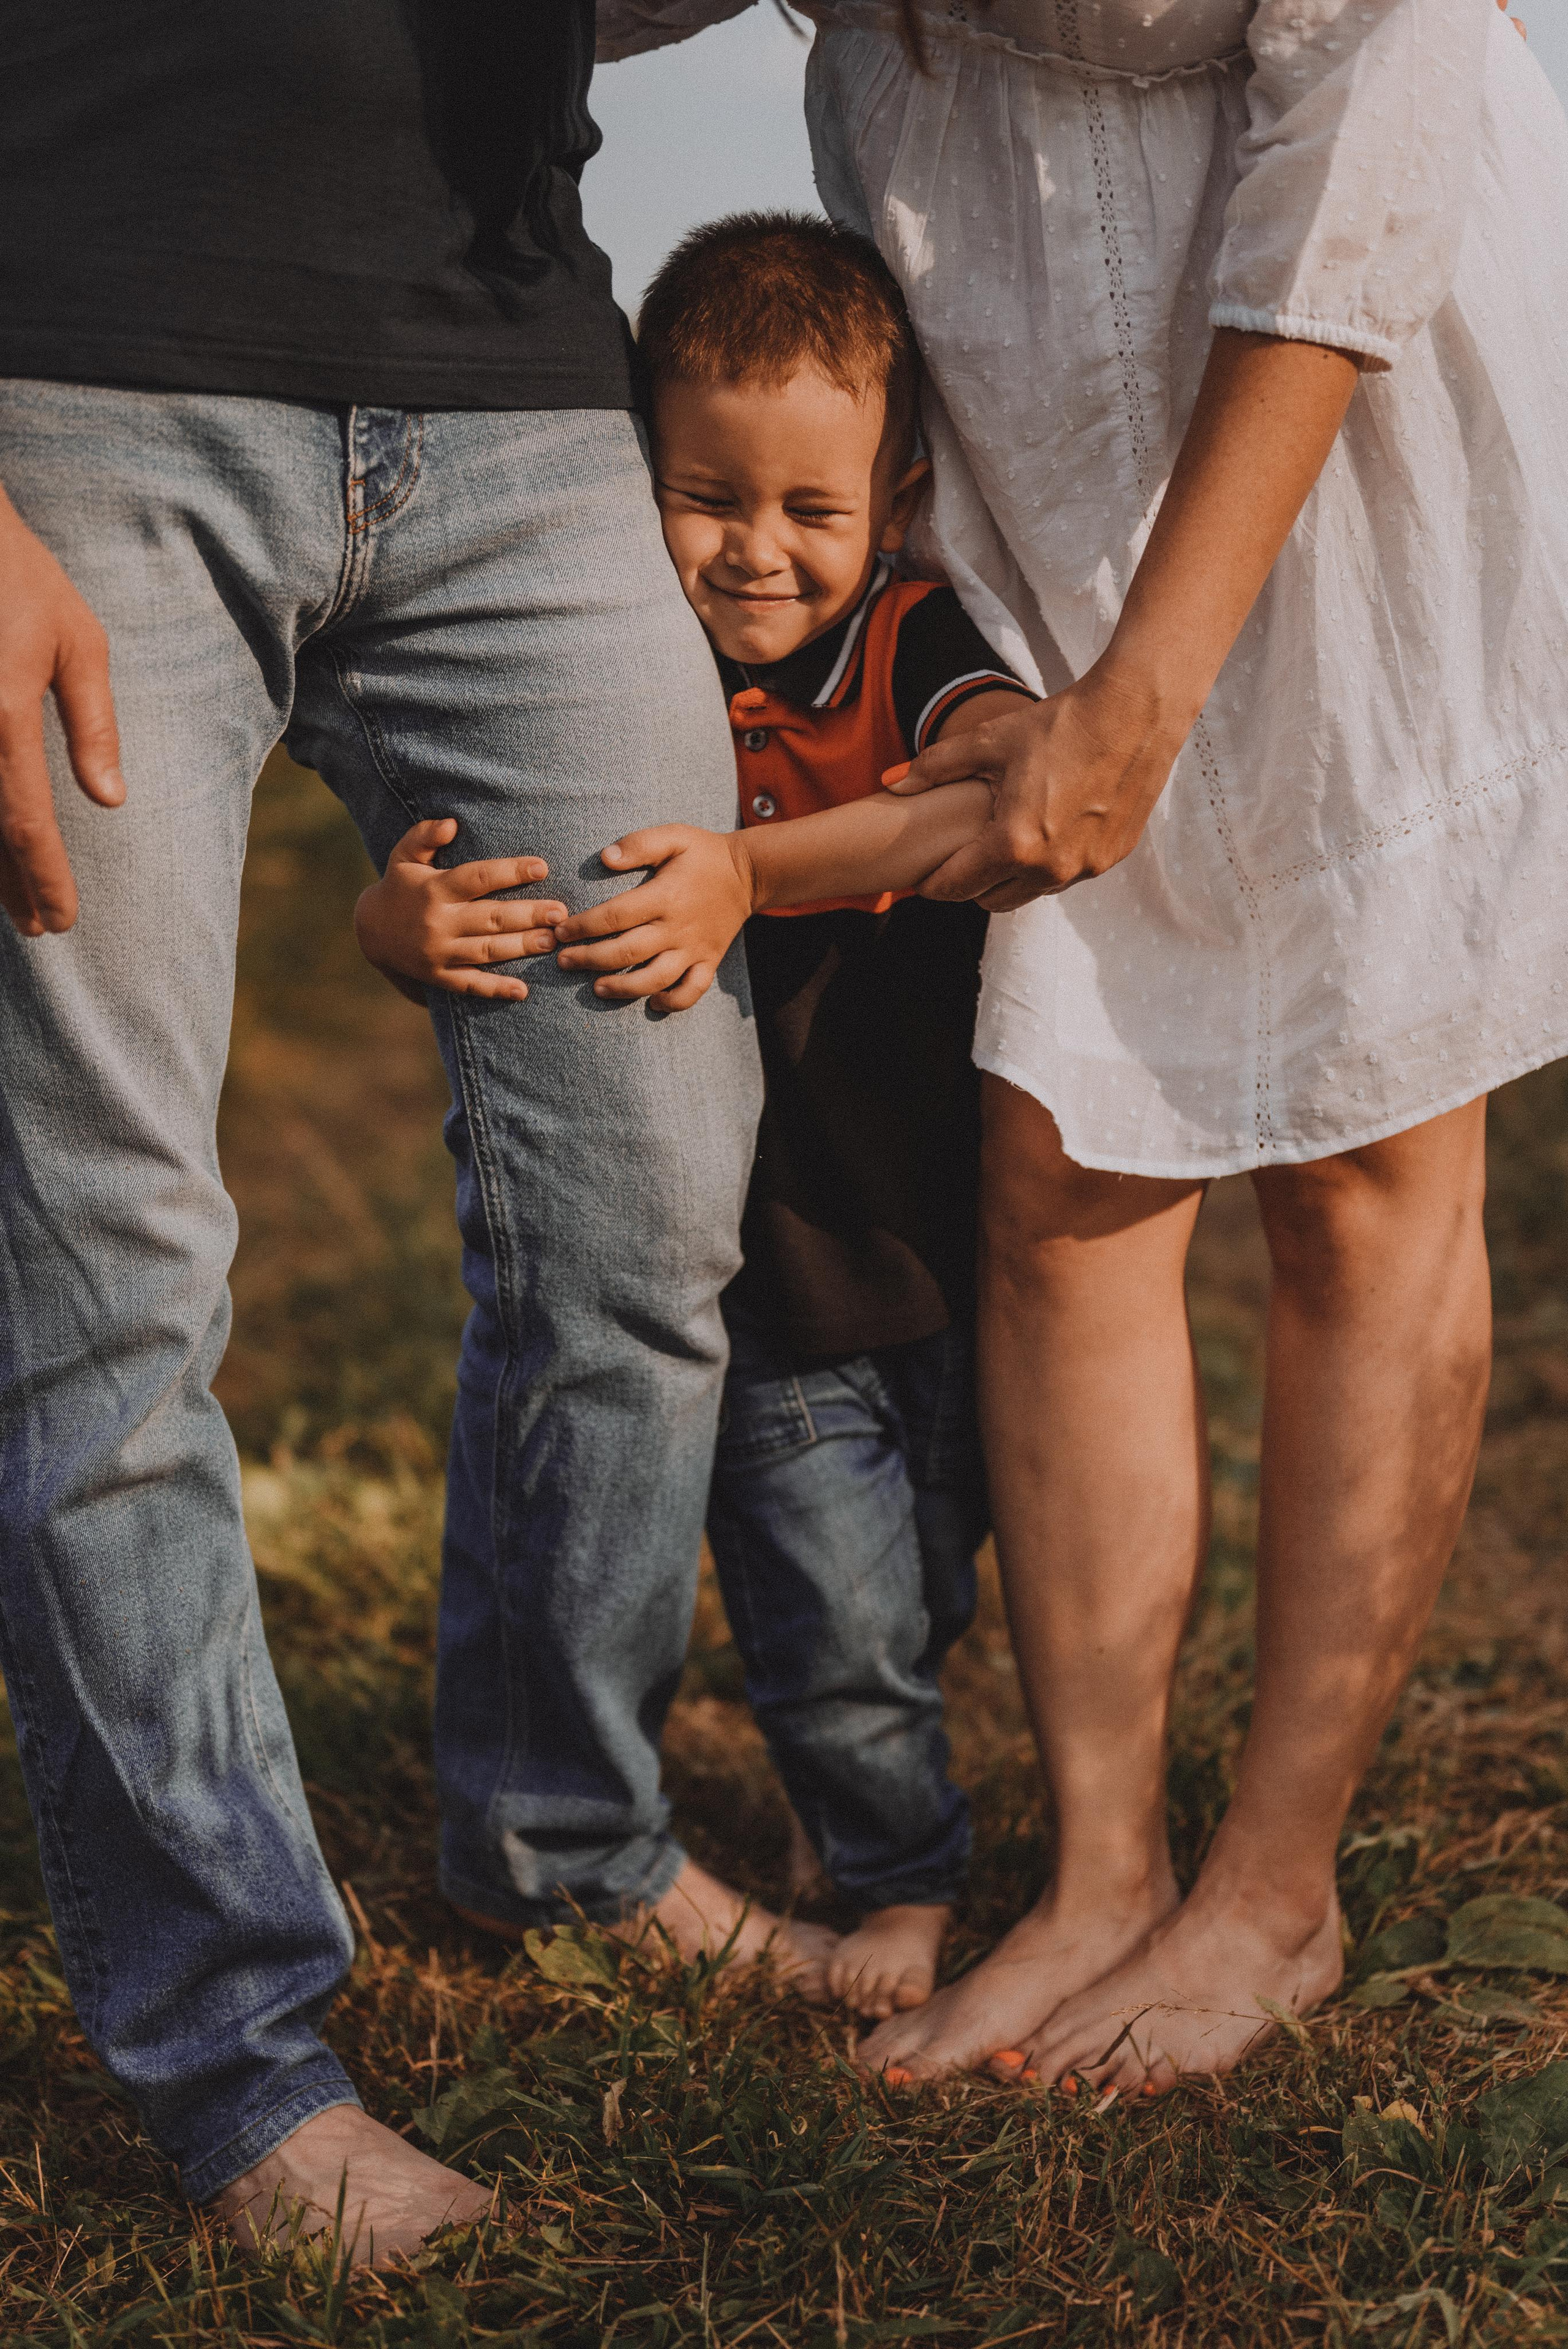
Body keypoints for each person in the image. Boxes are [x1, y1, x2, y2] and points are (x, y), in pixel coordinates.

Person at [595, 0, 1568, 2093]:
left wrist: (1153, 681)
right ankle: (1106, 1873)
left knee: (1368, 1155)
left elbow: (1377, 76)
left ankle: (1273, 1893)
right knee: (1057, 1153)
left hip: (1320, 375)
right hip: (1011, 366)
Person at [0, 1, 763, 2260]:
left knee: (648, 1195)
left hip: (520, 392)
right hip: (69, 383)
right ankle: (237, 2053)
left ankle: (568, 1830)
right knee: (103, 1274)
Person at [356, 213, 1036, 2021]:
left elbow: (987, 793)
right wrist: (390, 922)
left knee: (935, 1574)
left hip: (941, 1221)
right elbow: (448, 872)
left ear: (890, 504)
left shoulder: (904, 639)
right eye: (705, 495)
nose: (754, 549)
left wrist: (747, 867)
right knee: (841, 1625)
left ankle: (859, 1807)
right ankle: (897, 1870)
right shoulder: (599, 672)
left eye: (809, 509)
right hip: (775, 1253)